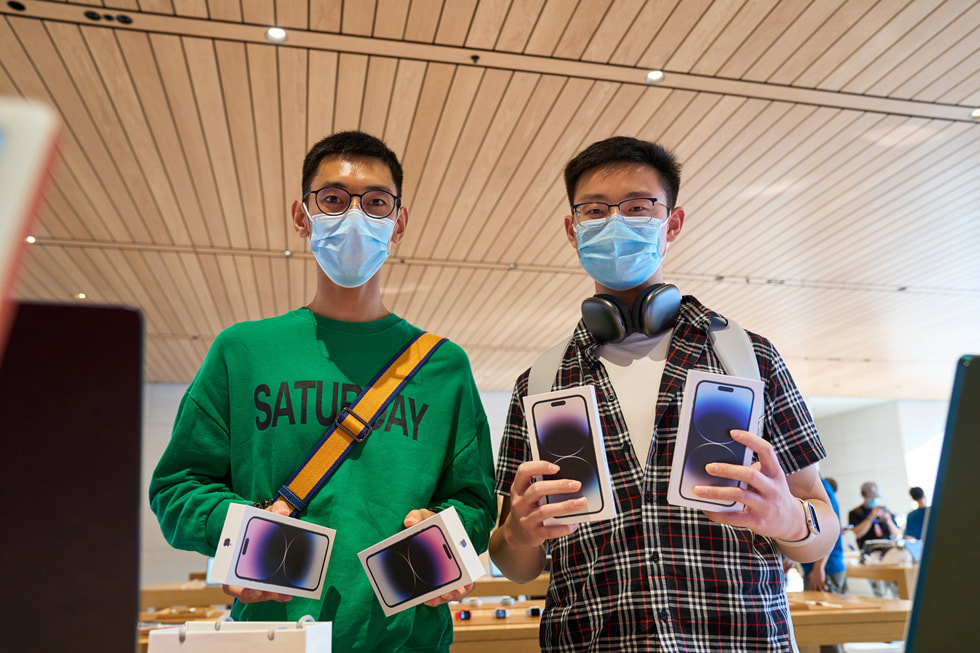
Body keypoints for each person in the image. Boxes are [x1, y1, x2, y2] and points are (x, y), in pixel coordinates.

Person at [149, 131, 497, 652]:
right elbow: (176, 486)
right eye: (333, 199)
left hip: (406, 640)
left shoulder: (444, 365)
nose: (354, 216)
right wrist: (237, 532)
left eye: (376, 202)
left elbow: (475, 501)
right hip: (273, 637)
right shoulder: (242, 351)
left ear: (398, 223)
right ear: (302, 215)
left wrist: (447, 535)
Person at [489, 136, 839, 651]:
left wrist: (790, 519)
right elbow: (516, 564)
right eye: (594, 211)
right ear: (572, 229)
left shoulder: (748, 358)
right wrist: (517, 536)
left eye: (636, 207)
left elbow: (819, 526)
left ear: (672, 223)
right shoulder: (540, 383)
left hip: (740, 640)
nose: (614, 223)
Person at [801, 476, 848, 653]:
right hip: (818, 567)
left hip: (825, 569)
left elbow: (829, 529)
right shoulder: (813, 485)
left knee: (826, 628)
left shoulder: (818, 486)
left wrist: (818, 567)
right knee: (824, 630)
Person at [848, 481, 900, 549]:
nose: (874, 499)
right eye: (871, 497)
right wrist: (871, 517)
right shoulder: (855, 513)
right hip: (868, 551)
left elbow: (896, 535)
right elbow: (858, 534)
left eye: (875, 497)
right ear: (863, 495)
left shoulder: (885, 511)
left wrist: (888, 521)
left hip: (887, 549)